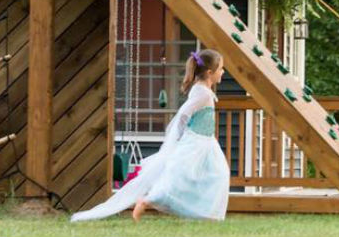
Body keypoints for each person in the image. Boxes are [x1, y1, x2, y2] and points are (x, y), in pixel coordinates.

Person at [70, 48, 230, 222]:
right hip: (196, 143)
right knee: (181, 177)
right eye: (221, 68)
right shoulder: (202, 93)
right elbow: (183, 115)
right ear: (209, 73)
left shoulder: (202, 90)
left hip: (206, 142)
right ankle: (147, 201)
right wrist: (176, 138)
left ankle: (207, 214)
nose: (223, 72)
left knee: (217, 175)